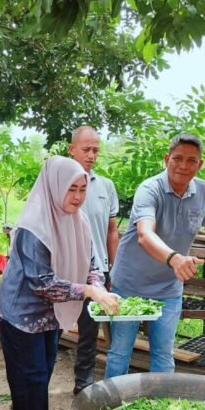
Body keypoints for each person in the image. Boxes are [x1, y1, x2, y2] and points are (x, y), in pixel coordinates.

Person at [0, 156, 119, 410]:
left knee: (43, 370)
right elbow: (42, 283)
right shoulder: (33, 227)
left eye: (82, 189)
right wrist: (87, 290)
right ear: (53, 188)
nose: (77, 197)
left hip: (52, 314)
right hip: (22, 314)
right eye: (70, 189)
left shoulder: (79, 221)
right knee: (32, 375)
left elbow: (92, 265)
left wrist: (99, 286)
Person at [105, 132, 205, 378]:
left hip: (169, 289)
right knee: (120, 352)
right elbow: (144, 234)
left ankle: (161, 402)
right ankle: (110, 401)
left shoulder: (204, 191)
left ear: (200, 164)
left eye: (191, 160)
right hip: (129, 286)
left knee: (163, 355)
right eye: (177, 158)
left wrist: (183, 260)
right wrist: (175, 258)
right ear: (166, 159)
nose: (183, 166)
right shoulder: (149, 189)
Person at [69, 126, 120, 395]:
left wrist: (113, 269)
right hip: (65, 272)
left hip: (97, 272)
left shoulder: (105, 187)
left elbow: (112, 231)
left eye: (96, 150)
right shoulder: (60, 184)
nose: (91, 155)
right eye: (86, 149)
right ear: (72, 150)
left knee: (89, 330)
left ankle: (83, 384)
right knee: (53, 326)